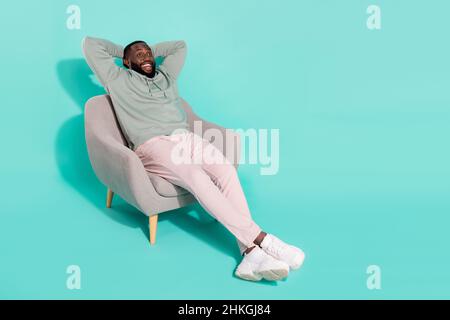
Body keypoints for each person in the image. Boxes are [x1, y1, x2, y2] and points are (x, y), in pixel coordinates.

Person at [82, 36, 305, 281]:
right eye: (137, 53)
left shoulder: (166, 77)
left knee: (225, 170)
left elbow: (180, 46)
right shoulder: (117, 79)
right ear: (125, 61)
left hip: (186, 138)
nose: (145, 55)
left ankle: (249, 253)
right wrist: (124, 52)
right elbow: (89, 44)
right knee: (197, 178)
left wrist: (147, 52)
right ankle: (263, 240)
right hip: (153, 145)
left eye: (147, 51)